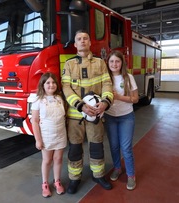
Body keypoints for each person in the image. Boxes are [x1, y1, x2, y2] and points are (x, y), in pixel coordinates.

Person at [61, 30, 114, 194]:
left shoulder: (100, 63)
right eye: (79, 39)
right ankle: (74, 179)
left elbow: (107, 84)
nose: (82, 41)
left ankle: (98, 175)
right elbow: (66, 88)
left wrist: (105, 103)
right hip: (76, 116)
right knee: (75, 149)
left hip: (96, 115)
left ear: (90, 43)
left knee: (97, 146)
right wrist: (80, 105)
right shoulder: (69, 64)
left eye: (85, 38)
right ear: (75, 44)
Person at [103, 50, 139, 190]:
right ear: (108, 63)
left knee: (126, 147)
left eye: (117, 61)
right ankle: (117, 168)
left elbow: (135, 99)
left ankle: (131, 175)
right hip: (110, 117)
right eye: (111, 61)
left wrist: (118, 97)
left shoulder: (128, 77)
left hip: (126, 117)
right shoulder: (105, 78)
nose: (114, 64)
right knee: (113, 146)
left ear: (122, 62)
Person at [31, 72, 67, 198]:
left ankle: (57, 181)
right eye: (48, 83)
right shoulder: (38, 101)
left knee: (58, 159)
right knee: (47, 161)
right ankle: (45, 184)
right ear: (43, 85)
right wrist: (38, 140)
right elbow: (34, 121)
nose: (51, 85)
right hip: (47, 136)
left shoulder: (60, 98)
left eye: (53, 82)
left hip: (61, 134)